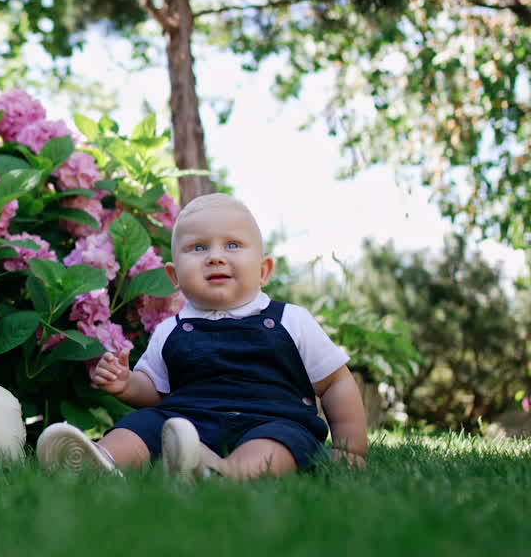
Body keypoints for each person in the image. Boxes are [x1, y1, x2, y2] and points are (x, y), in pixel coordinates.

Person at [37, 193, 368, 479]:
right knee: (143, 425)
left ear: (264, 269)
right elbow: (154, 389)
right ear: (174, 276)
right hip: (186, 422)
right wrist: (126, 385)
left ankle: (225, 473)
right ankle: (100, 461)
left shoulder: (291, 320)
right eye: (198, 247)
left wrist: (352, 449)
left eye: (233, 245)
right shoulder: (171, 329)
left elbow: (335, 381)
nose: (215, 256)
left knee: (273, 447)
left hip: (271, 419)